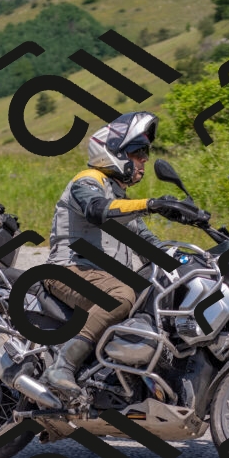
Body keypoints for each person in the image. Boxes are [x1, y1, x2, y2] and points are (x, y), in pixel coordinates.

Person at [40, 111, 199, 395]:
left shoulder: (120, 200)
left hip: (100, 276)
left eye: (145, 153)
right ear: (113, 153)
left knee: (159, 295)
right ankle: (62, 365)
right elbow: (97, 210)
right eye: (138, 153)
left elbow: (150, 246)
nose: (144, 160)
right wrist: (151, 204)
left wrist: (191, 264)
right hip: (68, 269)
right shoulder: (88, 181)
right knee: (120, 296)